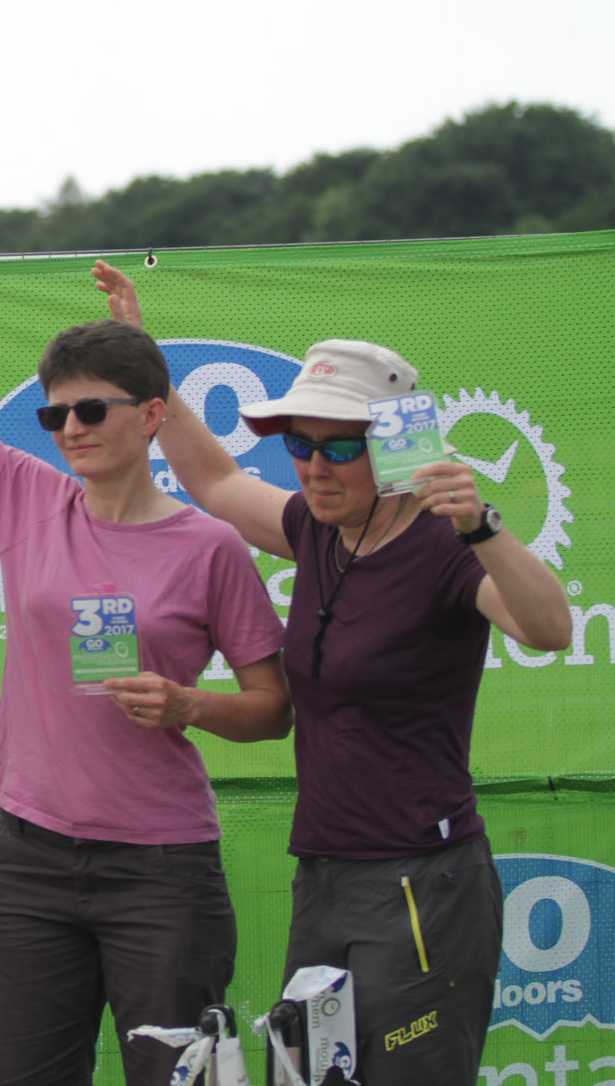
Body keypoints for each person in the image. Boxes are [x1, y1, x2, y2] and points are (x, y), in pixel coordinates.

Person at [0, 145, 292, 1085]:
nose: (73, 430)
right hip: (29, 863)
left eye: (93, 410)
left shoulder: (210, 545)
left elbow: (274, 706)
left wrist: (189, 706)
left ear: (151, 415)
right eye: (56, 417)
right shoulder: (25, 496)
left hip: (164, 872)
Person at [93, 260, 571, 1084]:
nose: (314, 467)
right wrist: (147, 362)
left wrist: (484, 526)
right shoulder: (319, 531)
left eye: (339, 447)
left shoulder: (440, 548)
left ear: (391, 448)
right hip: (324, 876)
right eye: (301, 445)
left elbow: (550, 629)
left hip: (423, 883)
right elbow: (213, 479)